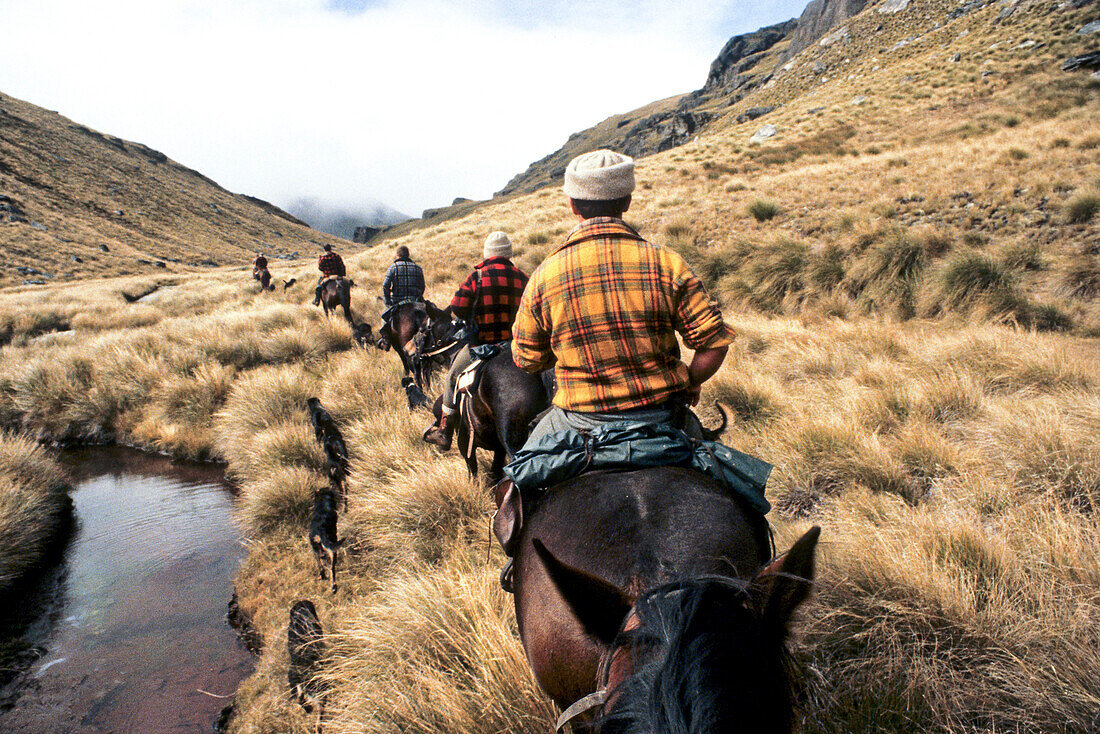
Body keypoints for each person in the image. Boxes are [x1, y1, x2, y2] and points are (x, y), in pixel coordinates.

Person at [512, 149, 735, 447]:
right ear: (627, 201)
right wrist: (691, 382)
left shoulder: (544, 276)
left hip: (578, 420)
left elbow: (527, 359)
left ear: (573, 204)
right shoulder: (667, 263)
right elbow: (714, 343)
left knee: (519, 483)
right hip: (664, 415)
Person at [422, 232, 528, 450]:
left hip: (481, 346)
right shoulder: (522, 278)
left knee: (452, 376)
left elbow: (457, 306)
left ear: (487, 253)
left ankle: (444, 431)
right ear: (508, 253)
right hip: (515, 347)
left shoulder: (477, 277)